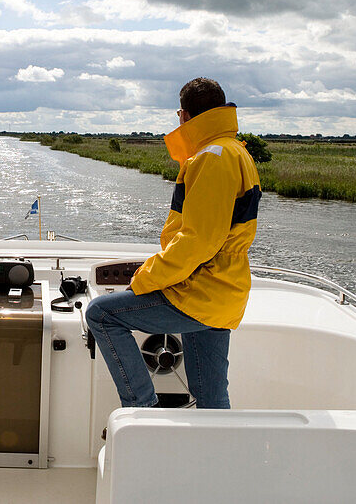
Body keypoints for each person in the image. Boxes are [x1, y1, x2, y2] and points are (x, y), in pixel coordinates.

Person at [85, 77, 261, 409]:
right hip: (223, 291)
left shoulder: (212, 156)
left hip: (201, 290)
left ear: (183, 115)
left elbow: (198, 241)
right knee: (209, 393)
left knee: (101, 314)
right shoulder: (235, 151)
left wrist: (146, 278)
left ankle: (143, 411)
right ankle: (218, 457)